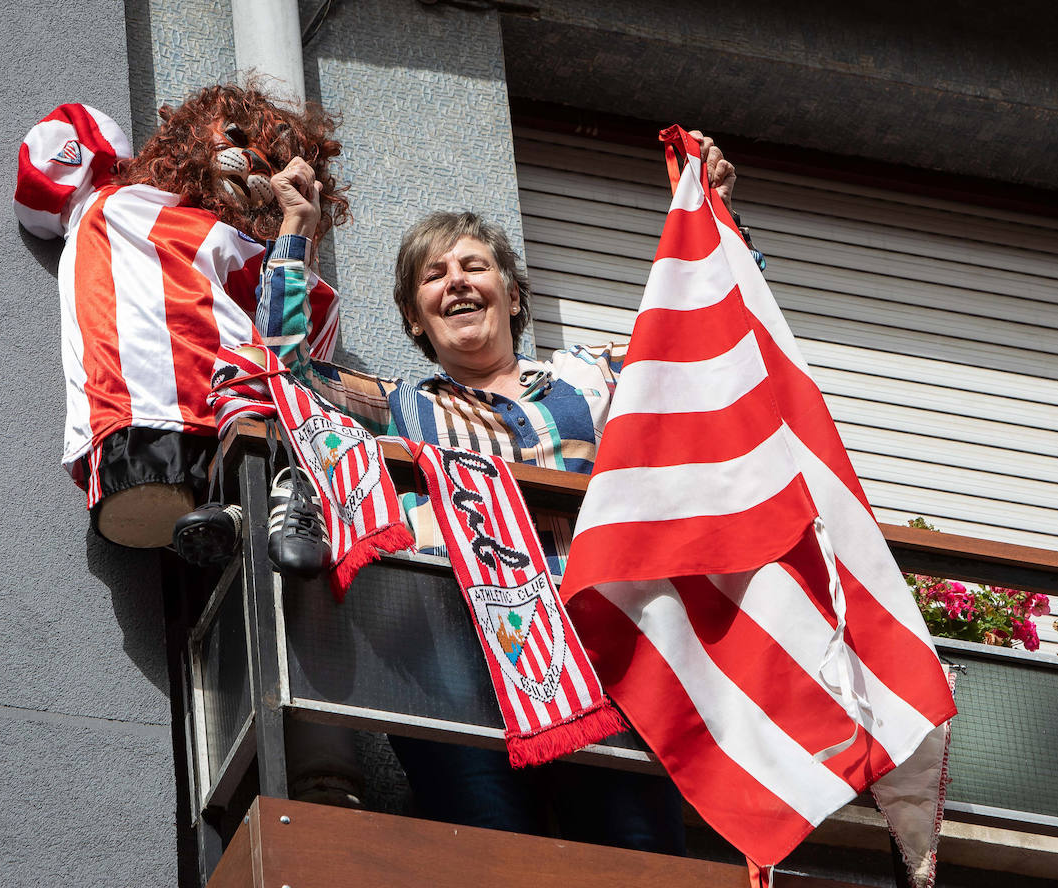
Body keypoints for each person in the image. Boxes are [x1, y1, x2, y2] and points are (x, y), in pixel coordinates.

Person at [252, 133, 751, 852]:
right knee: (492, 858)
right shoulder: (401, 406)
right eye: (433, 276)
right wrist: (297, 227)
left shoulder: (590, 377)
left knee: (636, 861)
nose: (455, 281)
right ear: (415, 318)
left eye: (473, 266)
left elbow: (701, 342)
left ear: (512, 296)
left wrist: (718, 219)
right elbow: (283, 368)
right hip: (453, 669)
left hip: (608, 657)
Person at [13, 83, 348, 549]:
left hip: (122, 435)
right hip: (203, 415)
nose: (252, 165)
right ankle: (246, 499)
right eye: (235, 136)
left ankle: (227, 507)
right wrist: (297, 241)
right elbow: (292, 337)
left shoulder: (98, 226)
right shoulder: (144, 211)